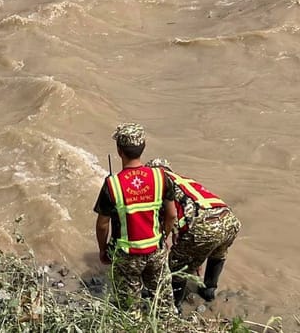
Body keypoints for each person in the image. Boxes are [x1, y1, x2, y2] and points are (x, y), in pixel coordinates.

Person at [94, 123, 176, 311]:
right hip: (156, 250)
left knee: (130, 309)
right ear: (144, 146)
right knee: (163, 303)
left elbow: (102, 225)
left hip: (126, 255)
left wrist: (103, 250)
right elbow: (171, 214)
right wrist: (164, 235)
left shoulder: (112, 184)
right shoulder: (161, 177)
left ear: (119, 151)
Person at [146, 158, 240, 308]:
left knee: (176, 264)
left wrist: (163, 239)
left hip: (204, 226)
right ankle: (209, 290)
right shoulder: (186, 181)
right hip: (230, 220)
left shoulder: (160, 186)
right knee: (218, 252)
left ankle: (174, 306)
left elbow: (171, 218)